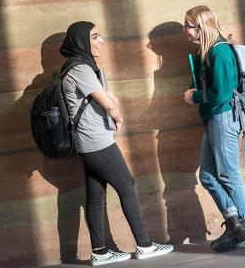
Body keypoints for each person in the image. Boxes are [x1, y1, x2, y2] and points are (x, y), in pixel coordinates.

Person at [60, 21, 173, 265]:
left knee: (97, 194)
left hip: (89, 140)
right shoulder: (79, 69)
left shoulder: (80, 67)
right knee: (128, 186)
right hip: (96, 141)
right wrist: (118, 117)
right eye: (95, 37)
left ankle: (99, 252)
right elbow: (108, 103)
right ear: (81, 41)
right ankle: (144, 244)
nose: (101, 41)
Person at [182, 6, 245, 252]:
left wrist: (195, 96)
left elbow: (221, 94)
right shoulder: (208, 53)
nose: (185, 30)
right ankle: (234, 222)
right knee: (207, 175)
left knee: (228, 173)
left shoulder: (221, 52)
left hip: (223, 117)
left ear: (202, 26)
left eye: (188, 25)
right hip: (214, 119)